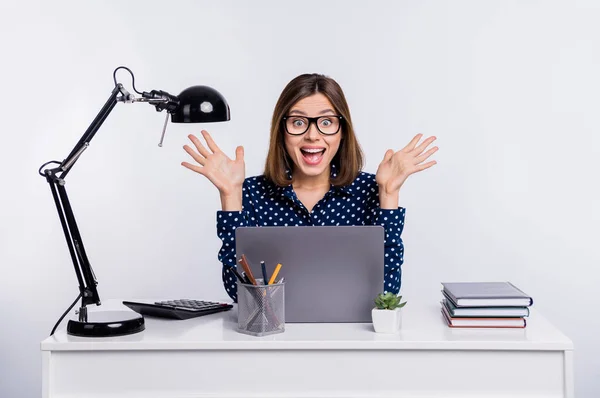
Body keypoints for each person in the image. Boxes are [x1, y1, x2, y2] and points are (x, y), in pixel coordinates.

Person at [181, 73, 438, 302]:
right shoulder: (251, 193)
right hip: (273, 340)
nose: (313, 135)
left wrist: (389, 194)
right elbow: (239, 293)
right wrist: (230, 196)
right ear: (281, 131)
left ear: (342, 132)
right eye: (298, 122)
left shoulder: (370, 189)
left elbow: (387, 293)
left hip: (353, 341)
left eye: (326, 122)